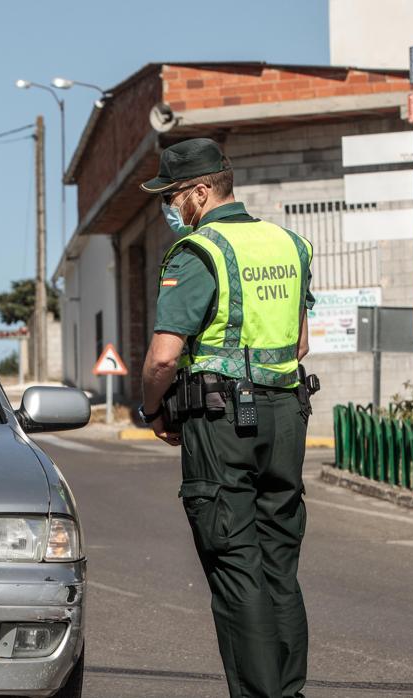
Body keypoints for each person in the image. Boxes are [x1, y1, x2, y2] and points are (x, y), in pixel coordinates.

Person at [136, 138, 315, 698]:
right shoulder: (290, 243)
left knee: (236, 566)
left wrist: (152, 409)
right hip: (286, 414)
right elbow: (300, 344)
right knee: (278, 567)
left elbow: (165, 355)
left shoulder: (199, 252)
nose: (169, 209)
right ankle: (290, 691)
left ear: (199, 191)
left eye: (171, 196)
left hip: (221, 422)